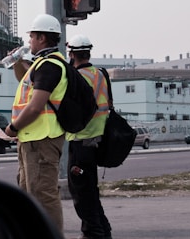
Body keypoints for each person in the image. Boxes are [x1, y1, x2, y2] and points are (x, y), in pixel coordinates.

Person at [4, 14, 66, 231]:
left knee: (44, 196)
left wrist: (13, 128)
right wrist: (17, 62)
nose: (29, 41)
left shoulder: (50, 65)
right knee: (30, 193)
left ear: (41, 38)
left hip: (42, 138)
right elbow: (24, 80)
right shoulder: (39, 64)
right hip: (32, 138)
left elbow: (35, 106)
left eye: (31, 37)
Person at [65, 34, 113, 239]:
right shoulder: (100, 73)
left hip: (81, 140)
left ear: (72, 54)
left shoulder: (77, 77)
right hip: (97, 140)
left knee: (82, 194)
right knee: (90, 191)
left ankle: (93, 233)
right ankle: (103, 231)